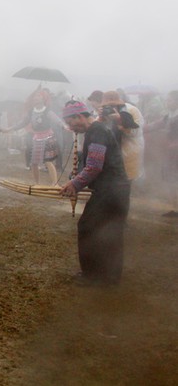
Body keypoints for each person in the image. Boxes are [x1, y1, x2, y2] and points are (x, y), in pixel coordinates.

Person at [61, 100, 130, 286]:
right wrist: (76, 175)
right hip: (115, 189)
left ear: (80, 116)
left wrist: (74, 184)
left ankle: (93, 276)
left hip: (111, 190)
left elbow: (94, 167)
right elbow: (90, 163)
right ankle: (108, 277)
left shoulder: (98, 131)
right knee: (109, 232)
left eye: (71, 122)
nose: (70, 127)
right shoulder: (95, 131)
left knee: (89, 228)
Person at [7, 89, 65, 185]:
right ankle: (36, 184)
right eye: (35, 96)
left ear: (44, 98)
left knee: (48, 161)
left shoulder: (47, 110)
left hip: (48, 137)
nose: (36, 98)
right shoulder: (31, 112)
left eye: (38, 96)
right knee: (34, 163)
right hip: (37, 138)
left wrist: (64, 126)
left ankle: (55, 184)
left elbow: (56, 120)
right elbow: (23, 122)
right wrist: (12, 128)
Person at [144, 91, 178, 218]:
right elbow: (155, 125)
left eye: (170, 100)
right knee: (170, 180)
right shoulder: (169, 116)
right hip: (170, 154)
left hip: (175, 153)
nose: (167, 102)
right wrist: (139, 129)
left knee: (174, 178)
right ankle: (175, 208)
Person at [99, 90, 145, 182]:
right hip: (112, 151)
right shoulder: (104, 112)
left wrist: (120, 120)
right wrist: (101, 118)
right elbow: (98, 128)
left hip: (130, 149)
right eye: (108, 106)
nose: (110, 108)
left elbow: (137, 131)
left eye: (113, 105)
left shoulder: (132, 110)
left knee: (128, 177)